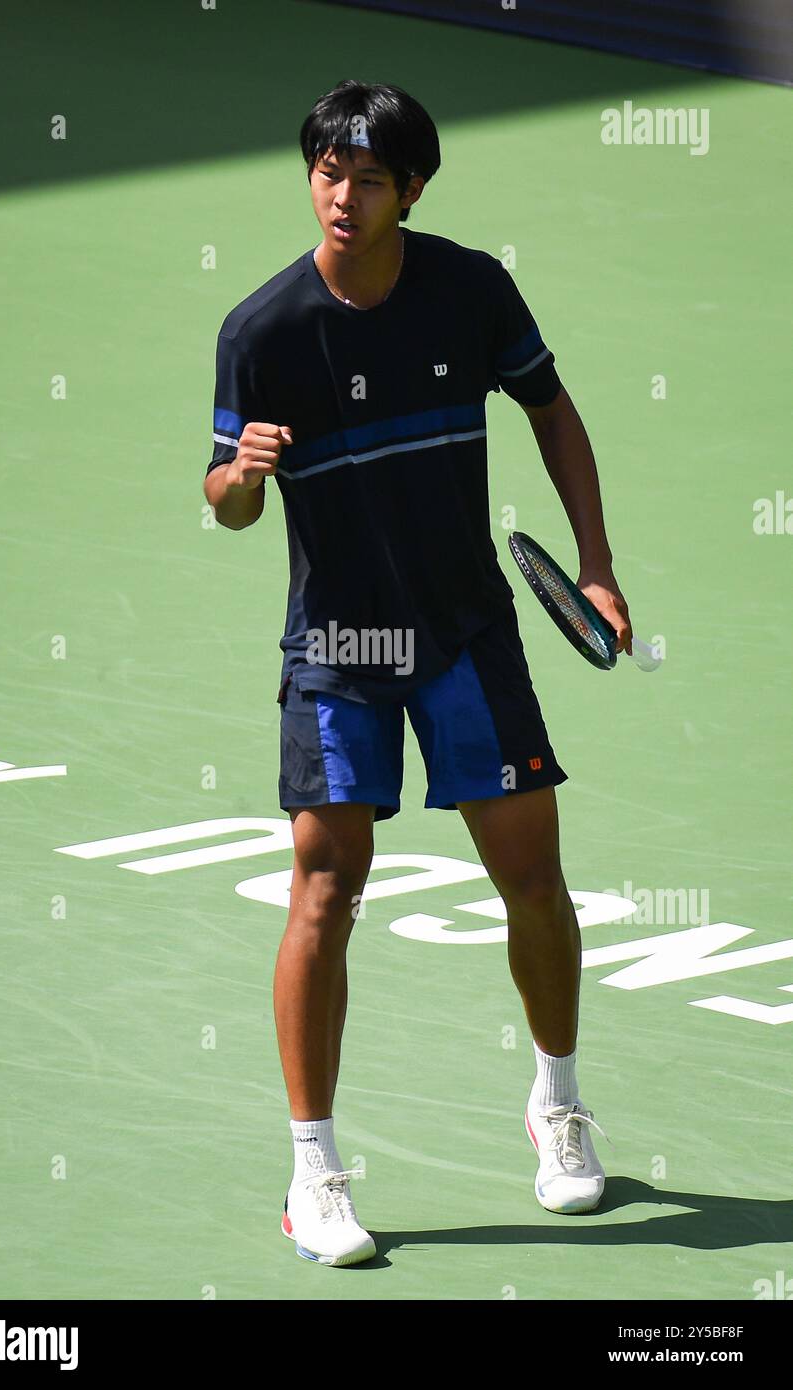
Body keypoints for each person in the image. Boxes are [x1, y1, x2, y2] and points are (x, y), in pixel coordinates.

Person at [203, 79, 632, 1268]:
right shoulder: (263, 332)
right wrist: (242, 473)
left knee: (531, 875)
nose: (342, 196)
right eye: (327, 173)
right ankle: (314, 1171)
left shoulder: (469, 289)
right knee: (324, 889)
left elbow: (552, 412)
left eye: (368, 178)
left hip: (462, 632)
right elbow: (226, 506)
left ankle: (556, 1103)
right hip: (339, 646)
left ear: (412, 190)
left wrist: (594, 564)